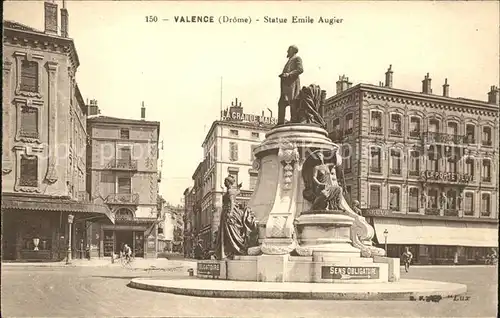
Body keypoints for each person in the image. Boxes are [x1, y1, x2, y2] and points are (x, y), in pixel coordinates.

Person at [278, 45, 303, 124]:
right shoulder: (289, 60)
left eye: (289, 50)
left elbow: (300, 69)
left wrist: (289, 74)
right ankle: (280, 122)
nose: (287, 52)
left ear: (293, 51)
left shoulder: (297, 58)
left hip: (292, 84)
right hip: (285, 86)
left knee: (293, 102)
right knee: (281, 103)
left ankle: (294, 120)